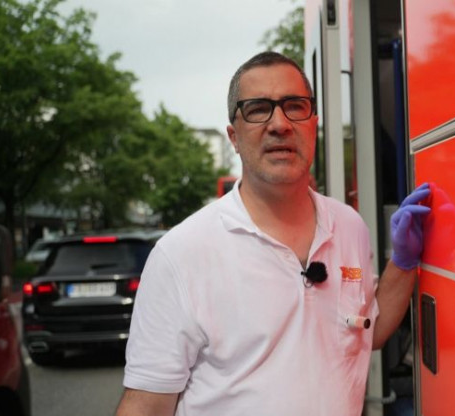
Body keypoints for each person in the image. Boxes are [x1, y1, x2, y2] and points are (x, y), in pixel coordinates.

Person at [115, 51, 431, 416]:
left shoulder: (349, 226)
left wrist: (404, 263)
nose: (279, 124)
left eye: (294, 106)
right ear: (234, 136)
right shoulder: (181, 254)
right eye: (258, 109)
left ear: (313, 124)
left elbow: (367, 332)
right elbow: (146, 406)